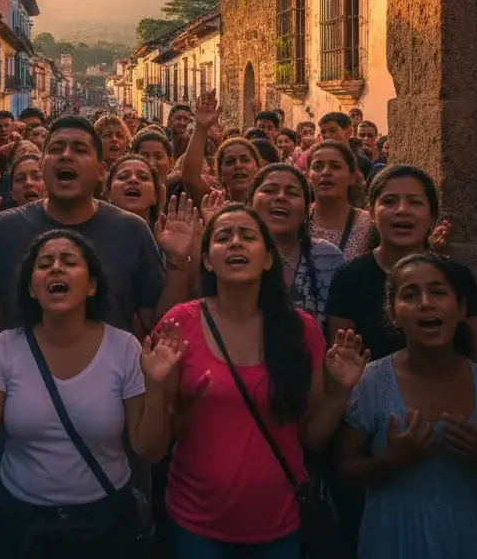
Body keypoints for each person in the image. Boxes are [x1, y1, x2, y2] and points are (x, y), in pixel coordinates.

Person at [140, 204, 369, 556]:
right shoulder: (179, 324)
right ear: (207, 261)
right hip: (195, 524)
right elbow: (152, 449)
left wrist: (339, 393)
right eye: (223, 237)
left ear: (266, 259)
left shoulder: (300, 329)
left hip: (278, 524)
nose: (235, 243)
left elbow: (313, 438)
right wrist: (156, 387)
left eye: (247, 236)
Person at [0, 230, 166, 559]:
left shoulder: (124, 348)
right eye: (44, 263)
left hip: (104, 523)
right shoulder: (4, 348)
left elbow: (149, 450)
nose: (56, 269)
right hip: (20, 524)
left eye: (69, 261)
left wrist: (159, 386)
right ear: (32, 289)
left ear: (92, 285)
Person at [0, 116, 195, 335]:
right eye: (56, 149)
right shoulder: (7, 227)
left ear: (101, 171)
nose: (66, 156)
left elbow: (160, 324)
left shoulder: (132, 230)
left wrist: (178, 263)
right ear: (42, 164)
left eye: (80, 150)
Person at [336, 253, 477, 557]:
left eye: (439, 292)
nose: (426, 303)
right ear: (392, 314)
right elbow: (344, 469)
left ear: (461, 309)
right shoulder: (372, 382)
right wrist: (391, 460)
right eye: (410, 294)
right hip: (392, 538)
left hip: (470, 537)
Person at [327, 165, 477, 361]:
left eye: (415, 202)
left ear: (432, 216)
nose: (402, 210)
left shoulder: (458, 277)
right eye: (389, 201)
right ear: (371, 213)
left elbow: (476, 359)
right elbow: (342, 362)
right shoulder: (349, 278)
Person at [247, 164, 343, 326]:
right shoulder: (234, 253)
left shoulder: (328, 258)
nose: (281, 197)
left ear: (306, 211)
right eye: (270, 190)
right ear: (249, 203)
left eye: (292, 193)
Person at [308, 142, 373, 261]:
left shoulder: (366, 224)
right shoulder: (298, 219)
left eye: (336, 166)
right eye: (317, 167)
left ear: (352, 177)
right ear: (308, 176)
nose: (325, 172)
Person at [107, 154, 160, 228]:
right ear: (109, 193)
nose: (133, 179)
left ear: (155, 196)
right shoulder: (89, 236)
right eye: (123, 177)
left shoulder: (166, 237)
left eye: (143, 177)